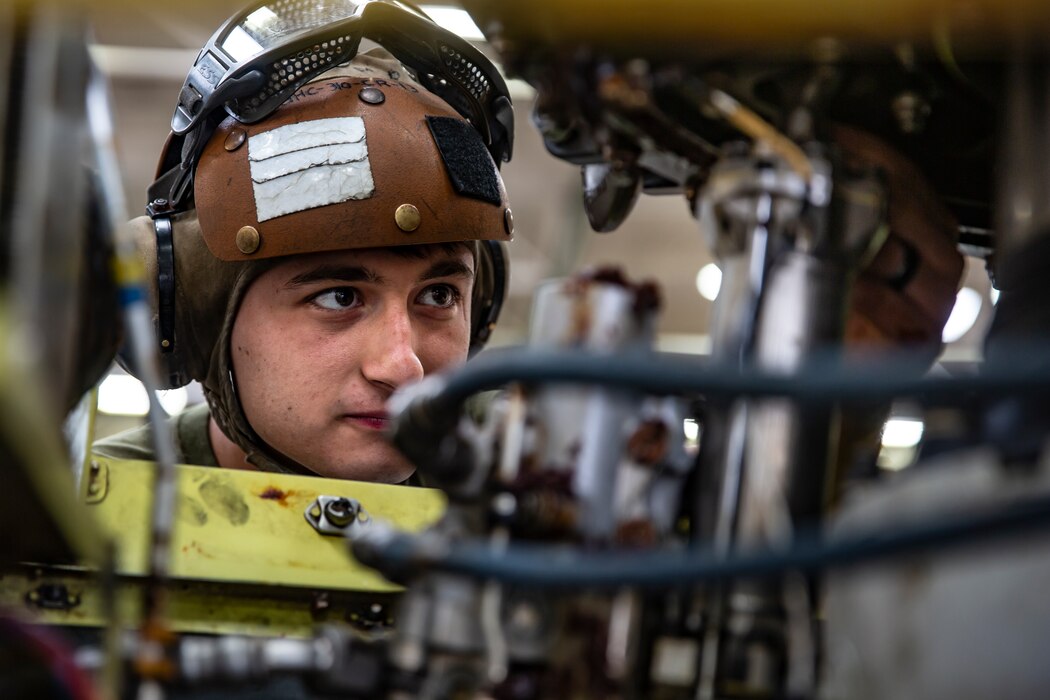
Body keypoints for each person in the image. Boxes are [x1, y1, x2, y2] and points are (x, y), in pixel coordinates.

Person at [93, 5, 514, 484]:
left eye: (439, 295)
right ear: (199, 313)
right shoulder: (89, 516)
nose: (403, 368)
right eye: (339, 297)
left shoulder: (534, 500)